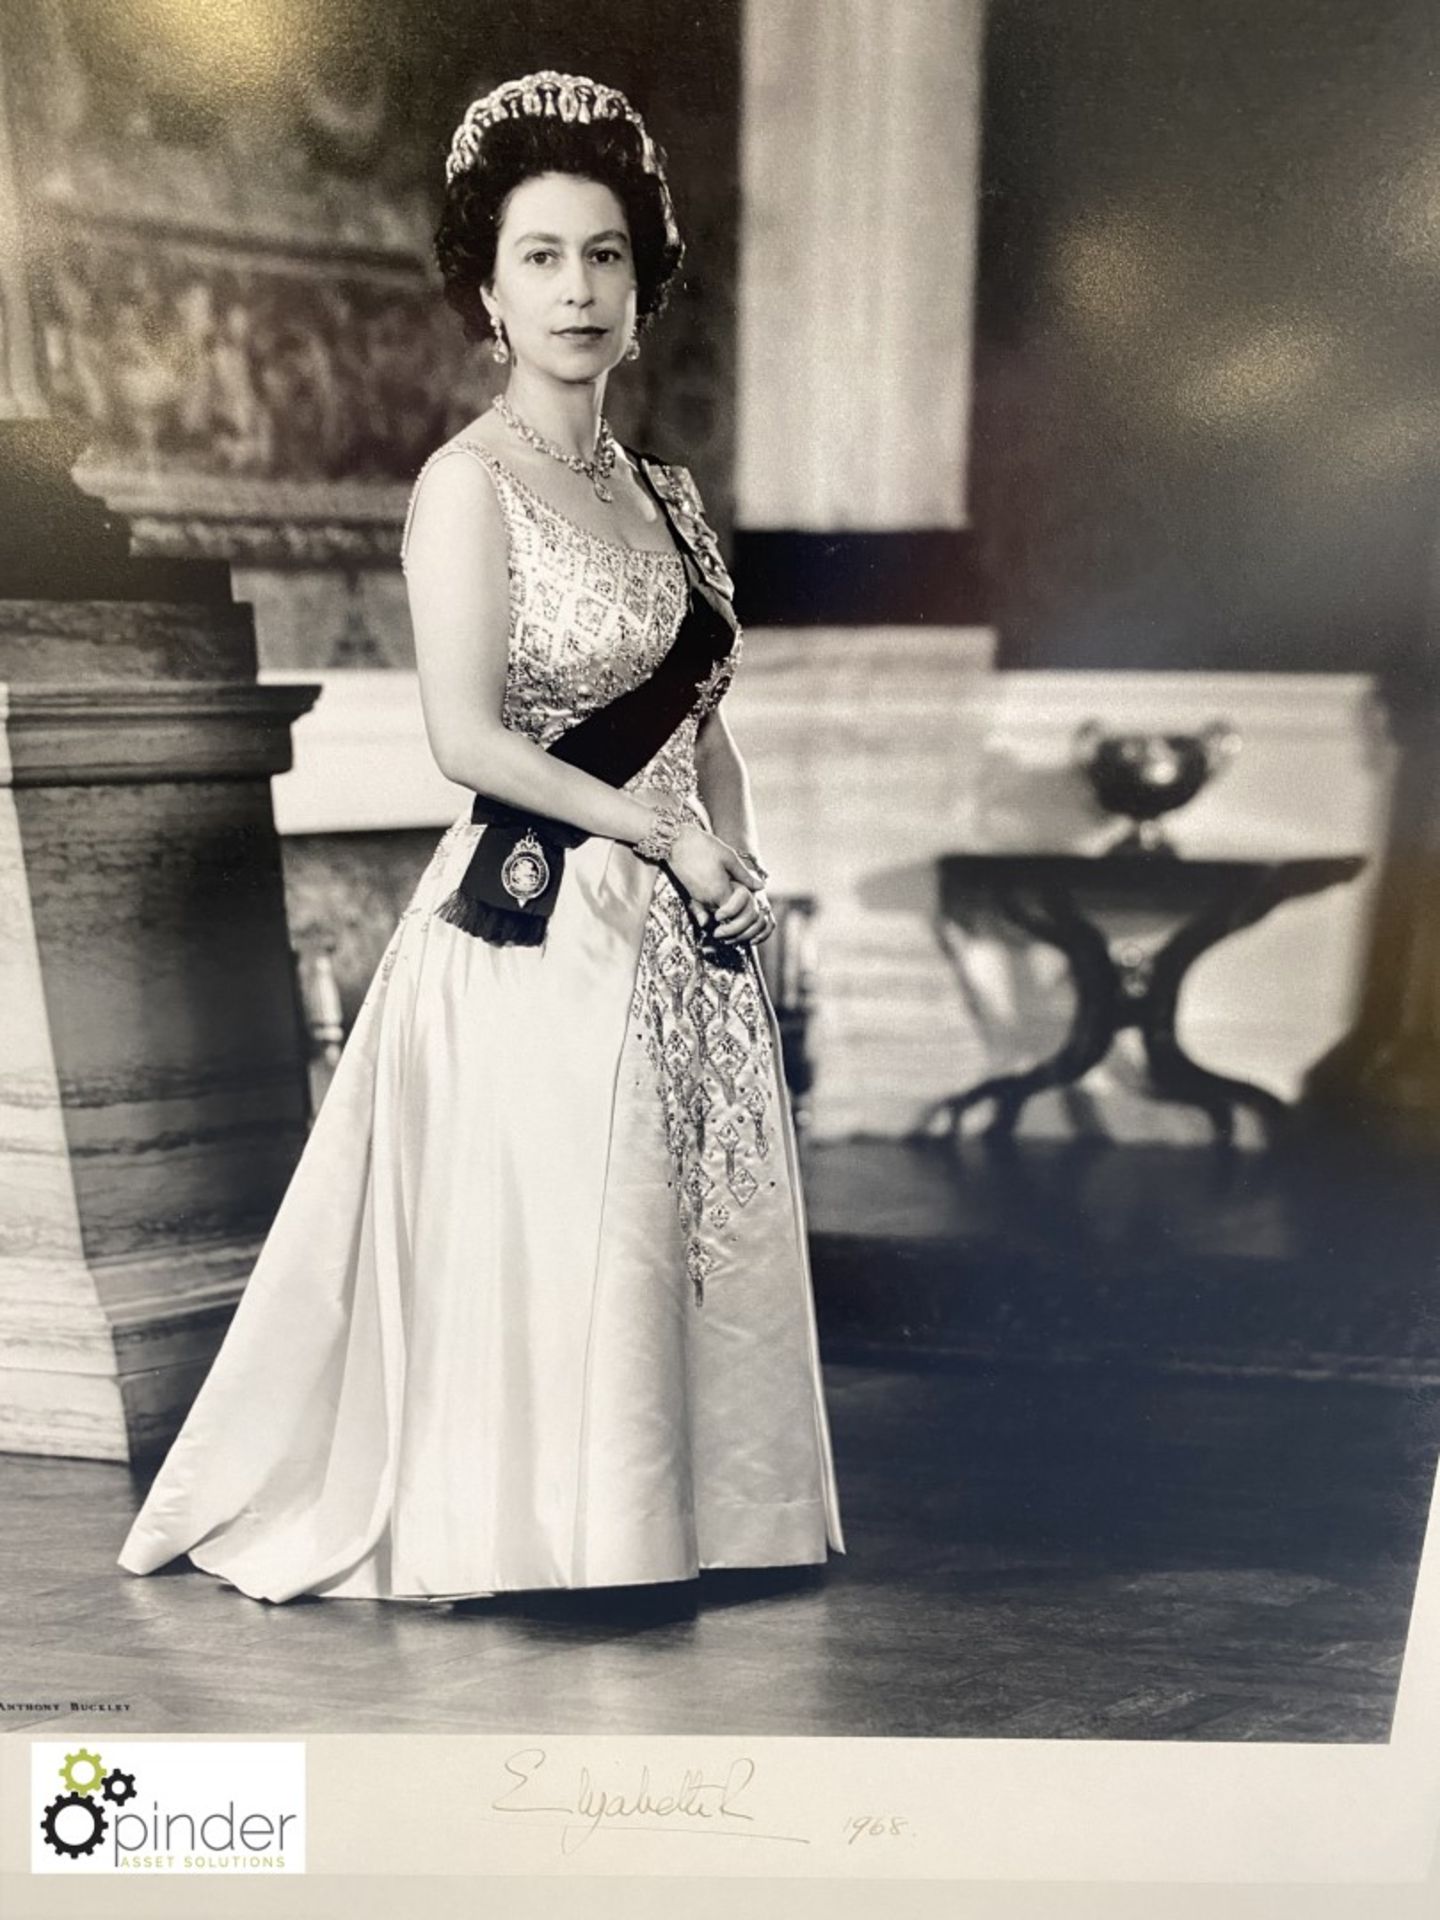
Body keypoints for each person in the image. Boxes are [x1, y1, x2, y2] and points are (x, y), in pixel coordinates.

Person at [117, 70, 845, 1608]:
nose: (577, 291)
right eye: (540, 258)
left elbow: (706, 717)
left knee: (680, 1223)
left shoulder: (669, 496)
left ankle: (705, 1523)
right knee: (565, 1226)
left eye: (604, 258)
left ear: (643, 291)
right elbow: (467, 740)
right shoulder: (466, 487)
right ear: (487, 295)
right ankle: (558, 1540)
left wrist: (735, 863)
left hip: (681, 925)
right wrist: (660, 842)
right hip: (534, 926)